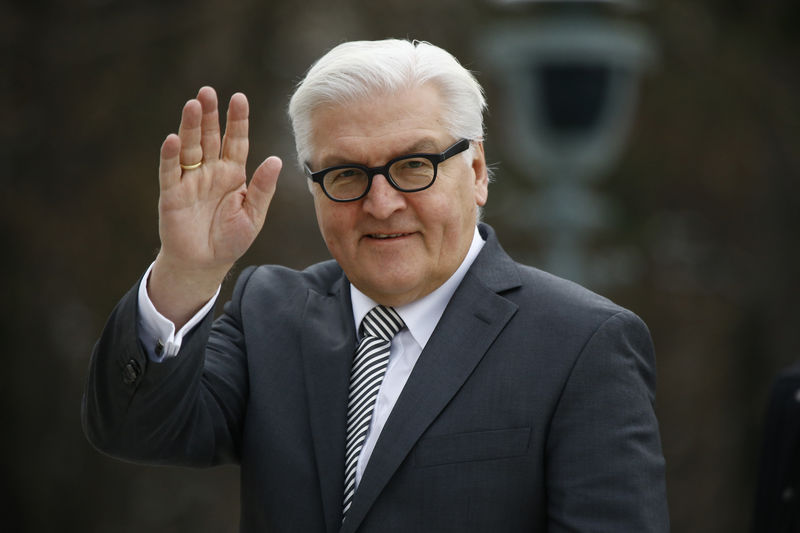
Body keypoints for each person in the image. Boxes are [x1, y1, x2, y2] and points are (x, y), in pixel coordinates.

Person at [82, 39, 669, 532]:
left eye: (415, 165)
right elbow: (135, 429)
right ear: (314, 188)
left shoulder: (581, 344)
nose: (381, 204)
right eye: (346, 174)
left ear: (476, 172)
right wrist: (188, 270)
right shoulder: (269, 314)